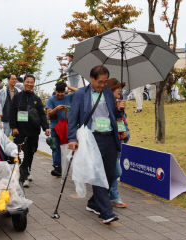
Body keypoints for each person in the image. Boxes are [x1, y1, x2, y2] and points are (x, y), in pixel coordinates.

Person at [67, 66, 125, 224]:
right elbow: (72, 119)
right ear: (91, 79)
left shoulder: (107, 93)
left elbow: (113, 114)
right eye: (100, 82)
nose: (103, 85)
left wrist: (120, 110)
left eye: (105, 82)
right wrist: (72, 138)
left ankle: (93, 202)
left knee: (111, 174)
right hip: (93, 139)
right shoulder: (80, 94)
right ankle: (106, 212)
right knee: (98, 174)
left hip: (110, 138)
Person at [10, 75, 50, 187]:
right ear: (24, 83)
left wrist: (46, 127)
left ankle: (27, 170)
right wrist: (14, 127)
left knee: (31, 152)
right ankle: (24, 176)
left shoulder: (36, 99)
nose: (29, 84)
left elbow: (42, 115)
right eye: (27, 82)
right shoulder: (17, 97)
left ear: (34, 84)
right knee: (23, 153)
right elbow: (12, 112)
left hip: (33, 131)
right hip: (21, 131)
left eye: (31, 82)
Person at [45, 81, 77, 177]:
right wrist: (56, 109)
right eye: (58, 92)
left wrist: (68, 86)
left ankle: (67, 166)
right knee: (55, 147)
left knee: (69, 147)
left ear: (65, 91)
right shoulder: (51, 100)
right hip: (55, 127)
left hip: (68, 127)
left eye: (62, 92)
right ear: (55, 91)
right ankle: (57, 167)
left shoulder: (68, 97)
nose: (60, 94)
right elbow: (49, 114)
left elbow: (80, 91)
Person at [107, 78, 130, 208]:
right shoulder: (106, 105)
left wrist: (126, 134)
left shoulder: (120, 104)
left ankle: (114, 197)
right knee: (116, 172)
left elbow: (124, 125)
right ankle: (104, 196)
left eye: (120, 88)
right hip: (109, 144)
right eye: (117, 88)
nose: (120, 90)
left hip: (118, 144)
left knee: (114, 173)